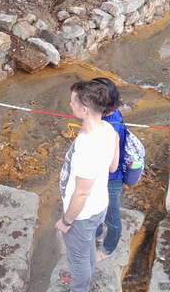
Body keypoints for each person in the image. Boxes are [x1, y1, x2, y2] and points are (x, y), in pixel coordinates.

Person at [56, 80, 120, 292]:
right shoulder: (109, 129)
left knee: (79, 256)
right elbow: (112, 167)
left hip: (82, 215)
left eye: (72, 102)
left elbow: (81, 194)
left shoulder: (86, 146)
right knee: (87, 250)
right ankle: (81, 276)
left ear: (84, 109)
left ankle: (79, 287)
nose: (70, 104)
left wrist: (66, 221)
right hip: (100, 205)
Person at [91, 77, 127, 263]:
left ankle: (107, 249)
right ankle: (97, 234)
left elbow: (112, 166)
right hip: (101, 176)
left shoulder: (111, 127)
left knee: (112, 218)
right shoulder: (110, 114)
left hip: (111, 178)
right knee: (96, 207)